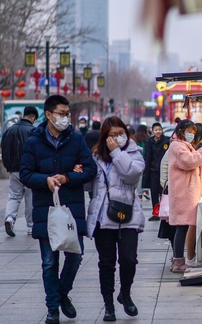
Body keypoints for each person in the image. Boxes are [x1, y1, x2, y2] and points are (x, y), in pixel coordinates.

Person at [20, 95, 97, 324]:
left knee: (75, 257)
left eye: (67, 113)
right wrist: (45, 180)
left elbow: (90, 169)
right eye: (61, 114)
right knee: (49, 262)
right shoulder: (33, 141)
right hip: (46, 210)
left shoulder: (76, 139)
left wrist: (67, 177)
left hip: (71, 209)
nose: (66, 118)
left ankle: (62, 293)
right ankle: (53, 307)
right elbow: (25, 174)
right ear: (49, 115)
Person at [86, 116, 145, 321]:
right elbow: (89, 185)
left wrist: (116, 152)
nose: (117, 138)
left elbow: (132, 174)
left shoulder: (134, 152)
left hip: (127, 214)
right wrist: (79, 172)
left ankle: (125, 294)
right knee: (106, 263)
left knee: (129, 259)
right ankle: (108, 304)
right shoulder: (95, 156)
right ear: (104, 137)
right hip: (103, 216)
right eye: (112, 135)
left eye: (121, 133)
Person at [168, 119, 202, 273]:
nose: (192, 135)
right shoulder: (178, 146)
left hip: (187, 192)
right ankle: (178, 261)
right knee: (181, 227)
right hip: (183, 193)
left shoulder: (184, 146)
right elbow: (189, 162)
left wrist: (201, 155)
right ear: (181, 131)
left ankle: (178, 260)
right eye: (189, 132)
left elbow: (196, 163)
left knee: (183, 227)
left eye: (193, 132)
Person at [2, 106, 38, 236]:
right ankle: (30, 226)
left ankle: (10, 218)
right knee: (30, 197)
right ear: (33, 117)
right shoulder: (34, 131)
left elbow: (4, 149)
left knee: (14, 196)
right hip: (29, 170)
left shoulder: (9, 130)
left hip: (14, 170)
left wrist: (9, 166)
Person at [142, 123, 170, 221]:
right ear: (153, 131)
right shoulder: (149, 142)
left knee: (163, 192)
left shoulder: (167, 141)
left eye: (159, 129)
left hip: (164, 171)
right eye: (156, 130)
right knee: (154, 193)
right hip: (153, 171)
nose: (158, 131)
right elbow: (148, 157)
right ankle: (155, 213)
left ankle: (164, 211)